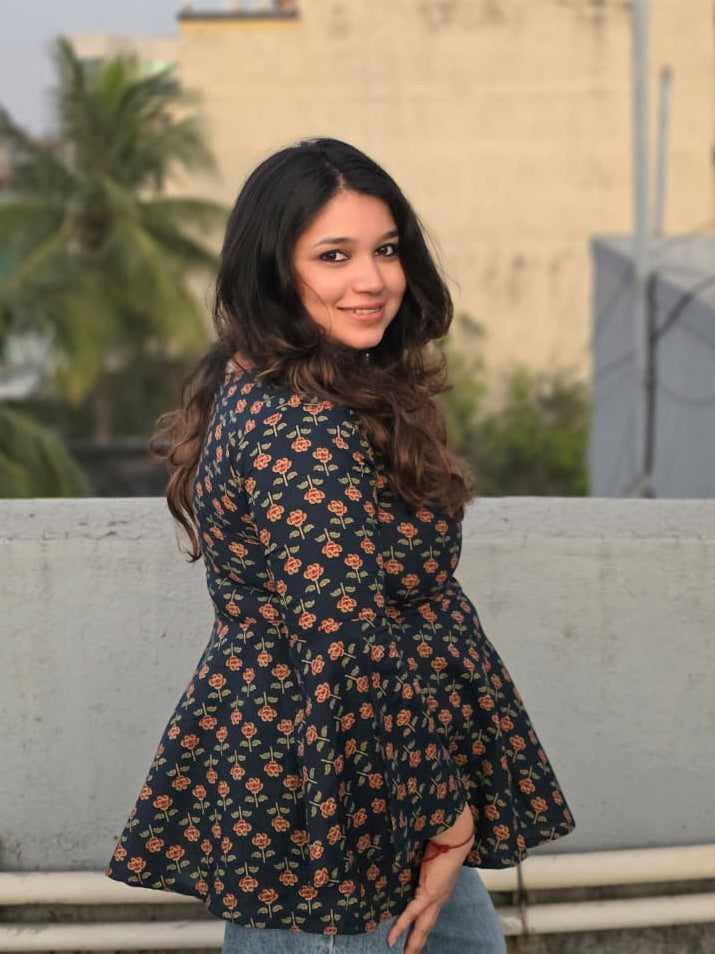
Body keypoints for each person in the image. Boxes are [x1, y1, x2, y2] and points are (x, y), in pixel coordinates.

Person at [106, 138, 575, 953]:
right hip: (339, 799)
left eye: (386, 249)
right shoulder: (301, 425)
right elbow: (344, 639)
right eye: (334, 255)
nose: (373, 279)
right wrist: (445, 818)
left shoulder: (287, 378)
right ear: (275, 271)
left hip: (365, 772)